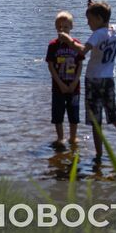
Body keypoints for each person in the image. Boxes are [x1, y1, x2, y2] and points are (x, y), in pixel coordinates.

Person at [58, 0, 116, 162]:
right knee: (115, 117)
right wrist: (94, 8)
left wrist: (68, 40)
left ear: (100, 19)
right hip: (109, 79)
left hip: (94, 81)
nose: (88, 23)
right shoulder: (115, 29)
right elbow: (106, 21)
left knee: (96, 121)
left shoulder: (97, 34)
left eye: (90, 20)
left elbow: (82, 51)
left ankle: (99, 155)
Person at [45, 10, 83, 148]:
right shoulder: (53, 45)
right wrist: (60, 83)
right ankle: (60, 138)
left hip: (74, 87)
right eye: (60, 27)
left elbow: (80, 65)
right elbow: (51, 66)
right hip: (58, 86)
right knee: (58, 114)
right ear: (56, 28)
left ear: (71, 27)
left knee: (74, 114)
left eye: (66, 27)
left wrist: (74, 82)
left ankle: (73, 137)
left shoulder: (76, 44)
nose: (63, 30)